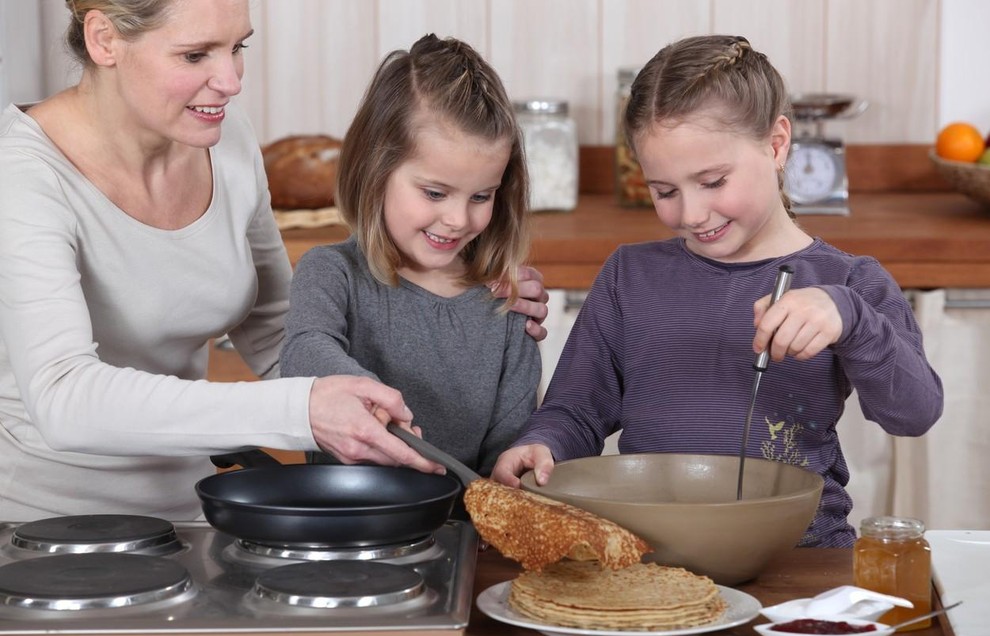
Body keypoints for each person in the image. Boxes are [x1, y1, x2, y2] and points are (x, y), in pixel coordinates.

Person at [0, 0, 547, 521]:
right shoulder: (22, 177)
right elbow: (63, 398)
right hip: (46, 525)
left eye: (238, 47)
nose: (232, 81)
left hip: (195, 510)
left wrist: (459, 308)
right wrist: (300, 409)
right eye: (196, 55)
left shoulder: (225, 140)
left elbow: (280, 336)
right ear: (104, 39)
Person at [491, 34, 944, 547]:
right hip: (650, 557)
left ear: (776, 144)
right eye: (664, 191)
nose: (690, 214)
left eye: (712, 182)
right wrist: (541, 444)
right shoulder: (628, 276)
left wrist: (853, 322)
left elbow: (915, 413)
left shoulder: (848, 284)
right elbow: (576, 411)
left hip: (800, 559)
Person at [280, 34, 542, 478]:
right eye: (435, 193)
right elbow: (304, 350)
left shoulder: (507, 303)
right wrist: (380, 401)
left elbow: (511, 450)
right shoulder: (330, 273)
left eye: (481, 195)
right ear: (374, 171)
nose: (458, 219)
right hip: (349, 534)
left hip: (466, 535)